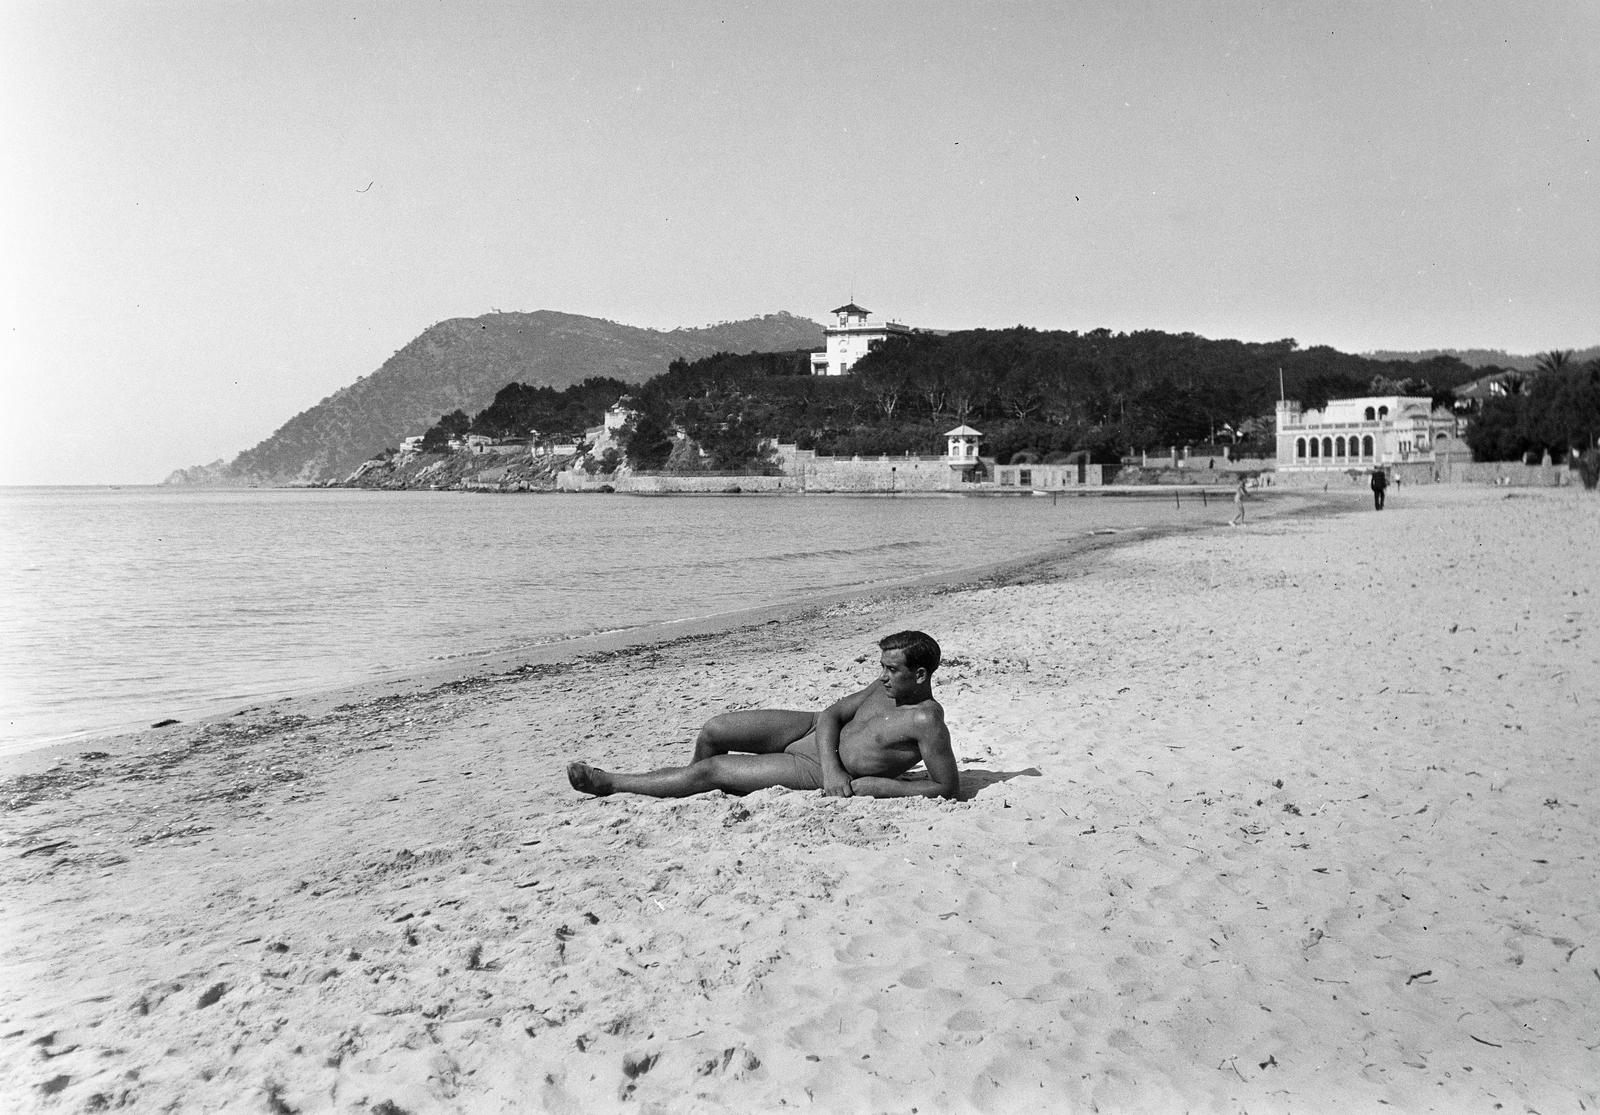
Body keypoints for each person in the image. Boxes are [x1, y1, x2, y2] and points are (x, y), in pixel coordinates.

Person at [566, 630, 958, 800]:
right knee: (714, 730)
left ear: (920, 675)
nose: (883, 676)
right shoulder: (885, 685)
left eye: (892, 670)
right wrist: (835, 764)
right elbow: (832, 713)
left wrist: (872, 786)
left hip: (811, 769)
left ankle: (609, 782)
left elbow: (946, 788)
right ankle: (688, 784)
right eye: (883, 667)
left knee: (715, 768)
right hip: (811, 730)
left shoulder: (925, 721)